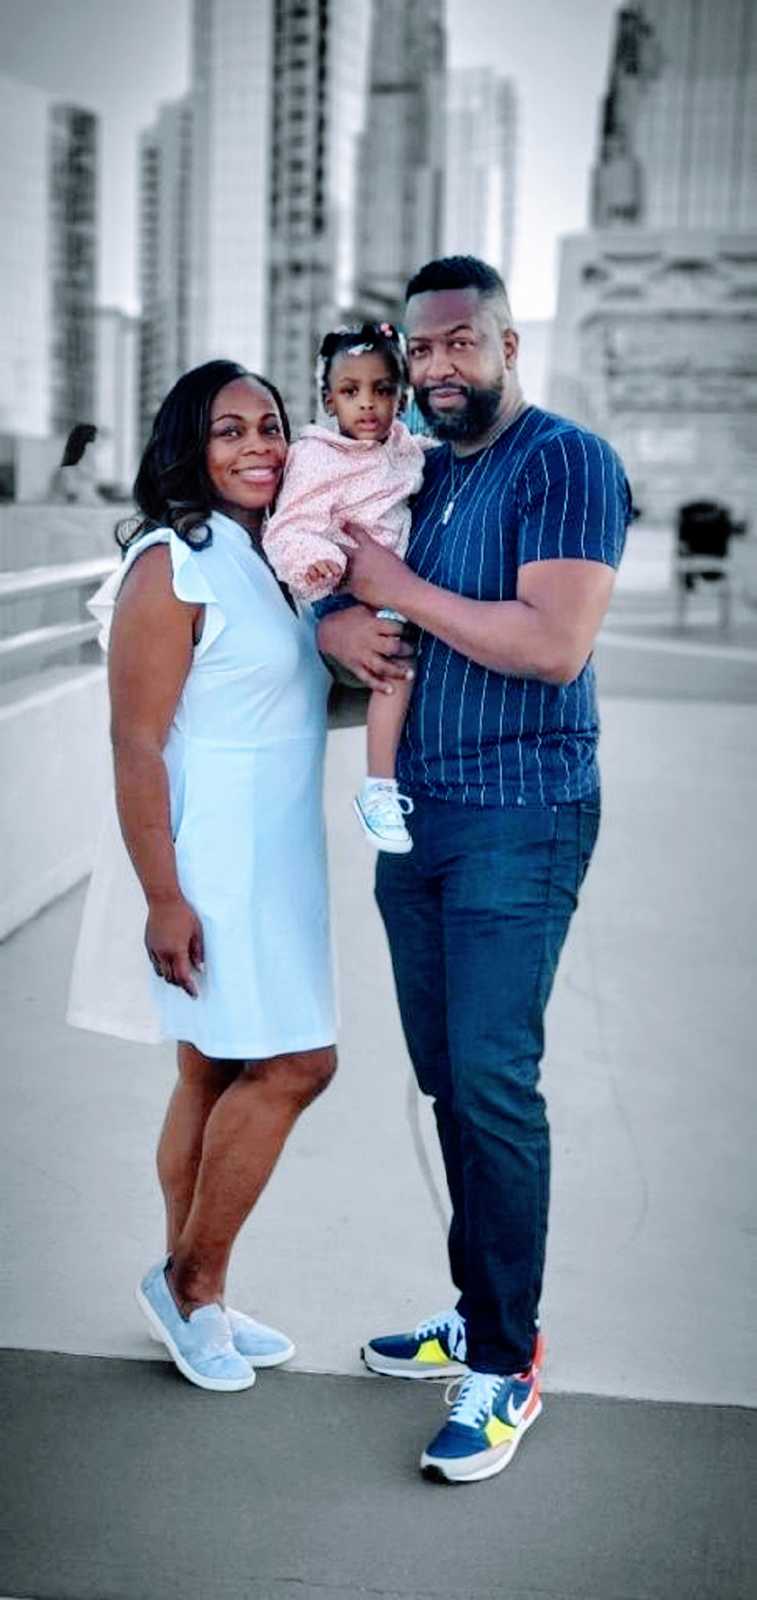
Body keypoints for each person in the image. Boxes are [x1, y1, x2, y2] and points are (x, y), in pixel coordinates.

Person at [318, 256, 632, 1484]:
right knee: (451, 1078)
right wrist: (339, 622)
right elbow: (360, 625)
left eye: (461, 344)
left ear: (506, 344)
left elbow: (553, 646)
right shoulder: (418, 472)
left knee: (495, 1082)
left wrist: (393, 588)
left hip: (522, 811)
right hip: (421, 817)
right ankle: (474, 1309)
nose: (440, 367)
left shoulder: (564, 461)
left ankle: (505, 1361)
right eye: (424, 349)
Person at [67, 359, 408, 1393]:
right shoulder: (172, 563)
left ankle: (196, 1297)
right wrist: (165, 896)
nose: (259, 444)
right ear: (189, 448)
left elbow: (289, 703)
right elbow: (135, 741)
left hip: (280, 849)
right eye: (229, 430)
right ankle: (191, 1280)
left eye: (269, 424)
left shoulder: (275, 557)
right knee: (300, 1063)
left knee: (213, 1070)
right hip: (209, 856)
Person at [263, 322, 426, 854]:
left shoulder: (403, 447)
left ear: (401, 397)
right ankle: (379, 790)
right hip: (341, 589)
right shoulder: (315, 456)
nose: (368, 404)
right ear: (328, 399)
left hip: (393, 591)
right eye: (352, 392)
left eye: (383, 390)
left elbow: (429, 459)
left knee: (412, 667)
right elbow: (289, 526)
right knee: (394, 674)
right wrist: (318, 562)